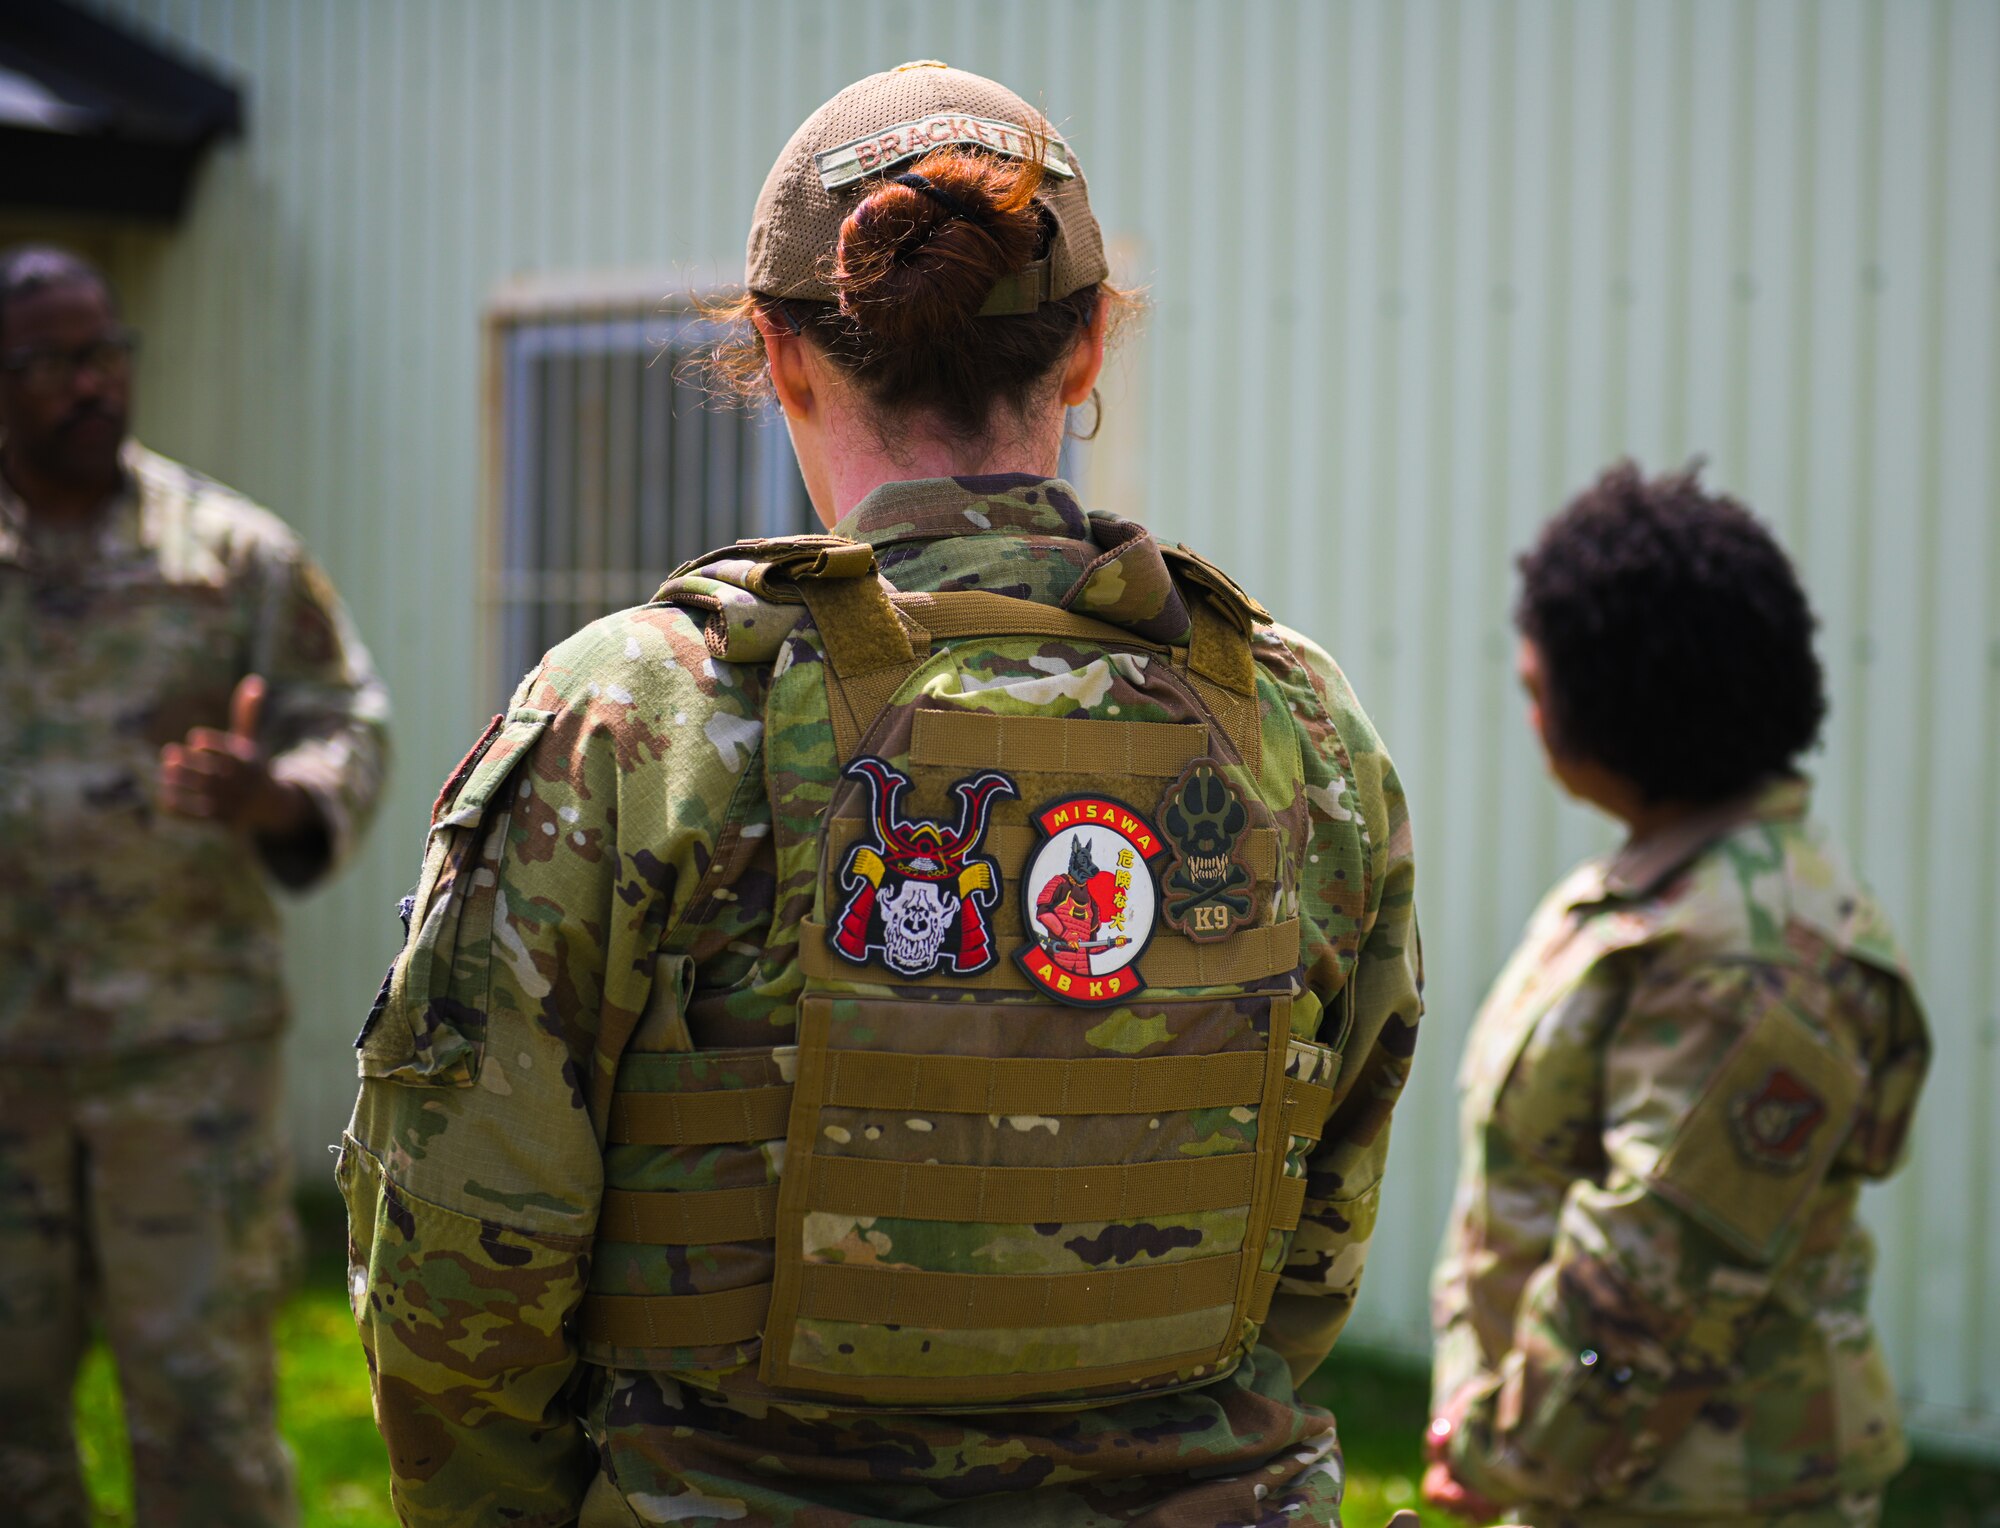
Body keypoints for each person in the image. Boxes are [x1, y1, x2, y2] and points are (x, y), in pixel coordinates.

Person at [341, 61, 1422, 1528]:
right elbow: (1315, 1236)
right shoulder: (1299, 726)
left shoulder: (636, 722)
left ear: (780, 357)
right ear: (1089, 347)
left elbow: (463, 1266)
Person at [1424, 464, 1930, 1528]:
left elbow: (1657, 1269)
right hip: (1611, 1472)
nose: (1529, 713)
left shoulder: (1749, 948)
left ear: (1620, 696)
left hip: (1698, 1493)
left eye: (1534, 688)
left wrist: (1504, 1451)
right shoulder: (1669, 887)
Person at [0, 245, 392, 1526]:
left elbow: (349, 722)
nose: (90, 383)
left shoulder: (229, 555)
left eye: (105, 352)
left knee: (203, 1422)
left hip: (184, 1062)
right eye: (52, 362)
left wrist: (273, 793)